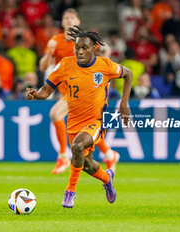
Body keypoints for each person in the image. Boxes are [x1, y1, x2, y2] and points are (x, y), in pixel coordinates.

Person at [26, 26, 132, 208]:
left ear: (94, 48)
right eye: (77, 48)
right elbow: (47, 90)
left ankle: (70, 192)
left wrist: (124, 103)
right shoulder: (66, 64)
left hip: (96, 121)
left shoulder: (104, 65)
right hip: (74, 122)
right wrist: (36, 95)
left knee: (77, 146)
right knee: (86, 164)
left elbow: (128, 74)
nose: (80, 51)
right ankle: (107, 179)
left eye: (85, 47)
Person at [39, 9, 120, 174]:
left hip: (84, 90)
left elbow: (106, 53)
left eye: (71, 17)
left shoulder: (85, 40)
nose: (68, 20)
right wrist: (49, 52)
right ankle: (109, 154)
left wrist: (105, 54)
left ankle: (63, 156)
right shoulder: (56, 40)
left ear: (78, 21)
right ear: (62, 23)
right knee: (86, 130)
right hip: (67, 91)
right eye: (65, 18)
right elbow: (43, 66)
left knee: (55, 114)